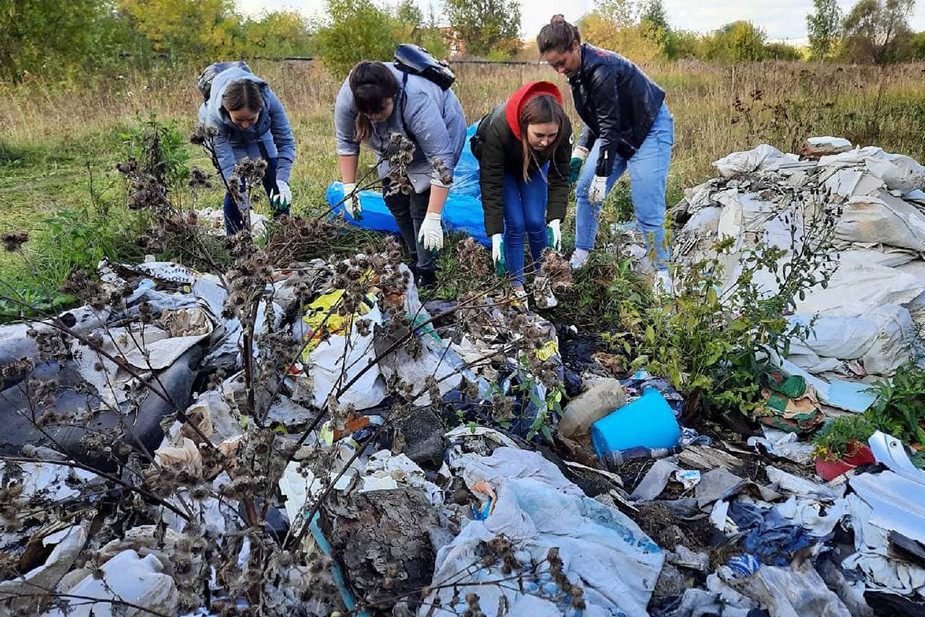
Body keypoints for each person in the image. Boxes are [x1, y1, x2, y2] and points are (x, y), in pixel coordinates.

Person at [537, 15, 675, 292]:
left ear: (575, 46)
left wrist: (603, 173)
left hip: (648, 128)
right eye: (553, 66)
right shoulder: (576, 72)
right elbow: (598, 118)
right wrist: (581, 150)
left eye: (561, 63)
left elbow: (609, 125)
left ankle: (662, 274)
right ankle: (582, 252)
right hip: (617, 132)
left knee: (647, 205)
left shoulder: (601, 68)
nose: (559, 70)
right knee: (586, 190)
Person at [334, 61, 466, 288]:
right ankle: (415, 252)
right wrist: (349, 187)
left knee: (420, 205)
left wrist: (433, 217)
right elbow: (346, 142)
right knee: (393, 198)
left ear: (392, 96)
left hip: (438, 138)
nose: (375, 117)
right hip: (392, 142)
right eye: (368, 114)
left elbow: (440, 159)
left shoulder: (417, 100)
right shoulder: (349, 98)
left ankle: (427, 270)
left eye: (381, 110)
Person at [472, 81, 571, 307]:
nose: (546, 142)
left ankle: (541, 280)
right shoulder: (499, 128)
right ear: (525, 125)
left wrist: (555, 218)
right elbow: (491, 184)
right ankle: (516, 285)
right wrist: (495, 234)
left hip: (533, 165)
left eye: (551, 136)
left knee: (536, 220)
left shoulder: (561, 129)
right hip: (502, 167)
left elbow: (560, 175)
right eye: (539, 135)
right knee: (515, 223)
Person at [198, 65, 296, 235]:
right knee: (236, 188)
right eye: (239, 119)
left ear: (260, 108)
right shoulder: (214, 117)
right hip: (228, 138)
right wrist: (242, 203)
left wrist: (282, 180)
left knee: (274, 180)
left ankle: (283, 236)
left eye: (250, 118)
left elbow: (285, 141)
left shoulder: (270, 101)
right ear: (227, 110)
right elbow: (225, 164)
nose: (244, 125)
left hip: (259, 135)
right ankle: (236, 242)